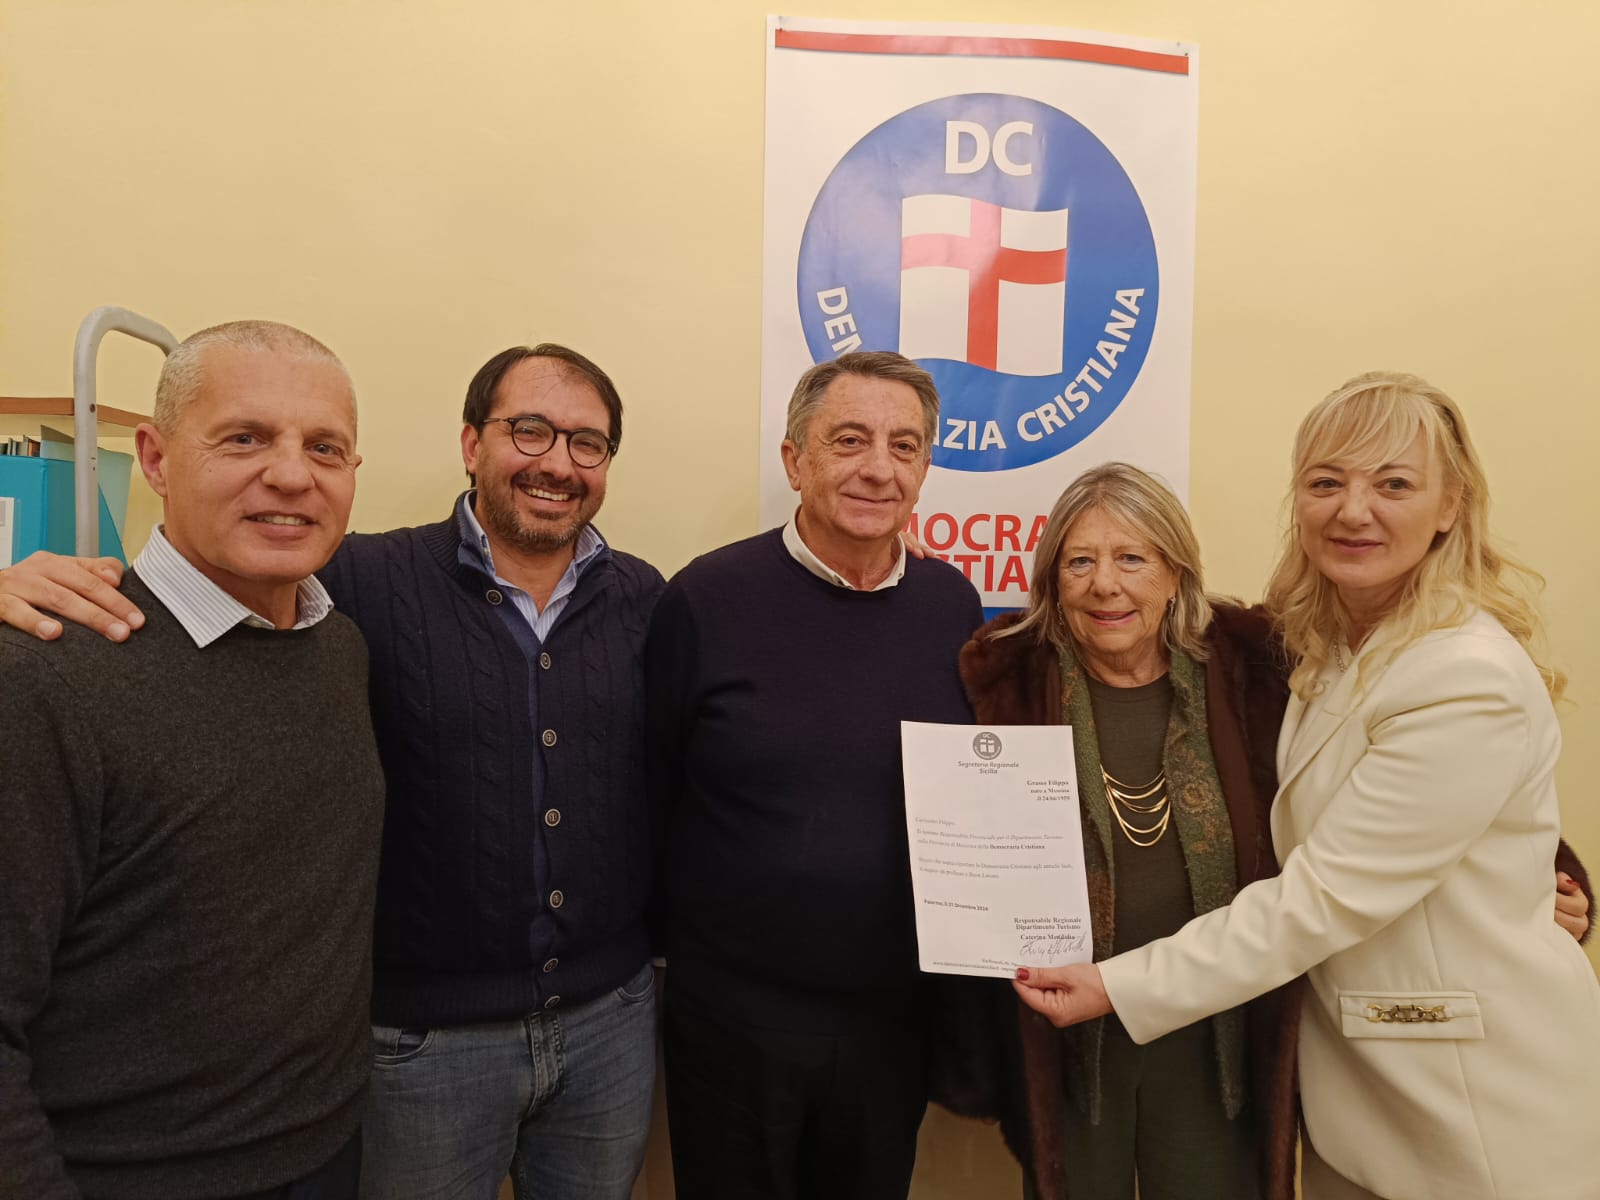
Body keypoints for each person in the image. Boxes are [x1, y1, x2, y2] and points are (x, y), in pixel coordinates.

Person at [0, 343, 664, 1200]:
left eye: (587, 443)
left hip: (592, 1031)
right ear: (472, 443)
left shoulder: (640, 598)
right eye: (528, 430)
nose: (557, 463)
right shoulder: (359, 582)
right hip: (418, 1051)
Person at [1012, 374, 1600, 1200]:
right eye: (1326, 483)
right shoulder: (1322, 655)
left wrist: (1114, 984)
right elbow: (1383, 811)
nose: (1353, 511)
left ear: (1451, 505)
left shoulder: (1465, 674)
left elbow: (1326, 893)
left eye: (1392, 484)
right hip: (1358, 1096)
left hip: (1470, 1106)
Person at [0, 320, 383, 1199]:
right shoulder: (44, 677)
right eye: (244, 438)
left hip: (327, 1151)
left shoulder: (340, 649)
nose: (291, 474)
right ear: (156, 459)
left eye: (324, 447)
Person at [645, 351, 983, 1199]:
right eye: (850, 440)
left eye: (905, 446)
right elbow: (650, 787)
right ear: (795, 460)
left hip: (891, 1020)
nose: (879, 468)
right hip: (732, 1022)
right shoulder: (704, 599)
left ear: (925, 469)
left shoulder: (952, 606)